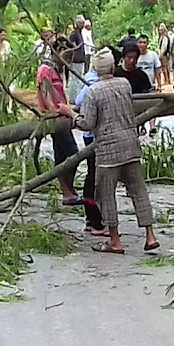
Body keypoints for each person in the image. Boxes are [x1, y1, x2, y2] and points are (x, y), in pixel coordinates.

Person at [57, 48, 160, 255]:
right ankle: (150, 236)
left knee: (107, 195)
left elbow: (87, 123)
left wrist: (70, 113)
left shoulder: (94, 92)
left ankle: (115, 241)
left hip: (107, 151)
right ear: (113, 67)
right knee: (139, 192)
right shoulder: (124, 84)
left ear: (95, 69)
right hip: (130, 145)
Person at [36, 45, 84, 207]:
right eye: (67, 57)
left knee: (62, 153)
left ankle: (68, 191)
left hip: (63, 114)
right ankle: (66, 190)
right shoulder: (45, 69)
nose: (68, 61)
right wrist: (54, 111)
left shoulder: (57, 69)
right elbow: (46, 94)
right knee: (71, 153)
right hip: (56, 118)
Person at [75, 68, 107, 235]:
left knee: (93, 175)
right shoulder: (94, 84)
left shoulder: (91, 81)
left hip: (92, 135)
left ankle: (93, 219)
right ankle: (95, 220)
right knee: (97, 178)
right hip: (95, 135)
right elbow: (79, 101)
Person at [67, 15, 87, 103]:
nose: (83, 25)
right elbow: (69, 43)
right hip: (76, 60)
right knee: (74, 79)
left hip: (80, 59)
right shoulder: (74, 34)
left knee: (78, 79)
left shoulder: (80, 33)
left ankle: (76, 97)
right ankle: (72, 98)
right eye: (81, 23)